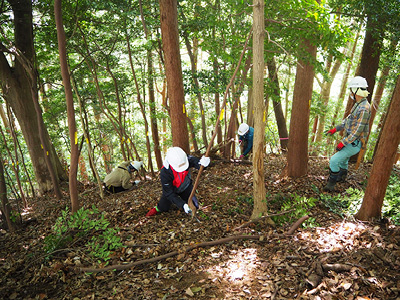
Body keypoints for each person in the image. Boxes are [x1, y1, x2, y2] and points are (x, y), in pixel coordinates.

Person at [324, 76, 371, 192]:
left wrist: (343, 143)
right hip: (350, 139)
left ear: (356, 90)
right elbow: (348, 120)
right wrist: (336, 129)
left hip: (355, 142)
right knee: (344, 159)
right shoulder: (358, 104)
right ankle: (342, 175)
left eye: (352, 90)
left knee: (334, 161)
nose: (351, 93)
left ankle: (331, 183)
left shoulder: (364, 108)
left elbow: (357, 132)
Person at [146, 147, 210, 217]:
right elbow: (169, 193)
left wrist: (204, 164)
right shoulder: (165, 172)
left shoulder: (186, 159)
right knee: (163, 207)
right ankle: (157, 208)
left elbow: (199, 164)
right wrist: (182, 204)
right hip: (172, 190)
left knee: (195, 205)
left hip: (185, 187)